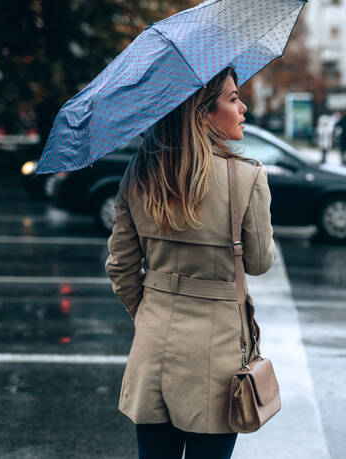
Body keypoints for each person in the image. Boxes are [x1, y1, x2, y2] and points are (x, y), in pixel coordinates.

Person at [105, 66, 276, 459]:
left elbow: (121, 267)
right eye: (233, 98)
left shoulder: (139, 173)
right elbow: (259, 262)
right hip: (215, 358)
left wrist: (148, 314)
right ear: (202, 112)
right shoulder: (247, 178)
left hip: (152, 348)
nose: (243, 107)